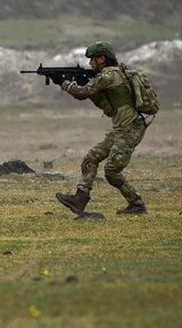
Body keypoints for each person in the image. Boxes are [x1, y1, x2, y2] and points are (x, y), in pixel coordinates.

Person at [55, 41, 149, 215]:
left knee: (112, 171)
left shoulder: (109, 75)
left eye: (93, 59)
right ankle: (80, 199)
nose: (90, 63)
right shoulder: (112, 73)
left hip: (130, 129)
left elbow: (82, 93)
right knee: (91, 158)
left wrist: (63, 83)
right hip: (122, 128)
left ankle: (137, 204)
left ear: (102, 59)